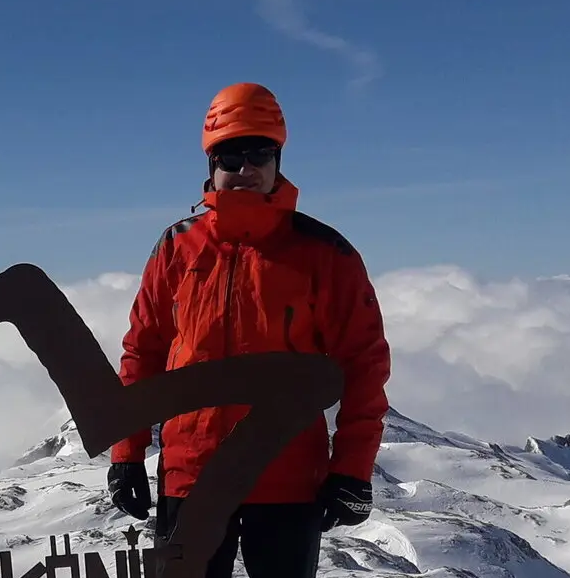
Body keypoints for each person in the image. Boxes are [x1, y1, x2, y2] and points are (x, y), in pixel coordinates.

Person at [103, 82, 393, 578]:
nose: (245, 168)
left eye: (259, 153)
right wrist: (126, 453)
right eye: (231, 155)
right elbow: (143, 352)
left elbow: (364, 364)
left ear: (278, 161)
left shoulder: (325, 253)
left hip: (288, 480)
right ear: (211, 165)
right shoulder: (177, 246)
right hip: (191, 477)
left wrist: (353, 469)